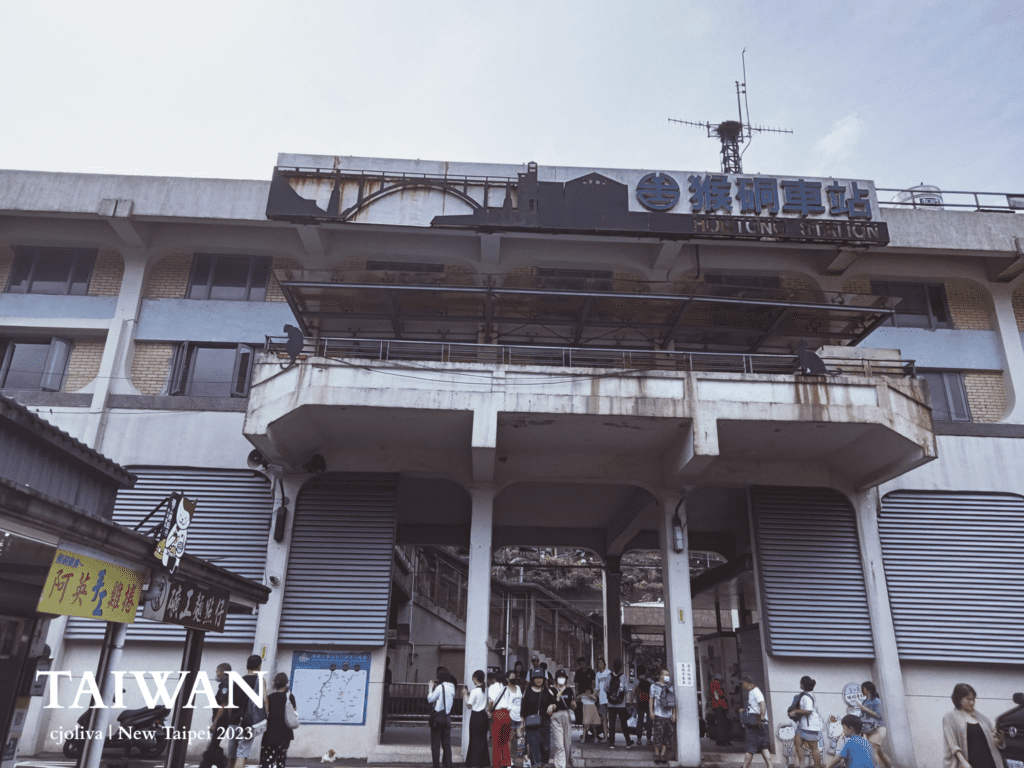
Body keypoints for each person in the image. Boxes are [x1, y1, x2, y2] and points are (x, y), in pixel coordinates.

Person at [942, 683, 1005, 768]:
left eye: (973, 699)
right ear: (958, 699)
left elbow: (993, 739)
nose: (972, 702)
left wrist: (1000, 741)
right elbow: (952, 745)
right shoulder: (949, 717)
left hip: (989, 763)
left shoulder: (983, 718)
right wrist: (963, 762)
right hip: (969, 764)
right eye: (968, 699)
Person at [230, 654, 267, 768]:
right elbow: (264, 701)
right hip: (247, 722)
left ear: (247, 666)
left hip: (233, 721)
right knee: (242, 753)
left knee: (232, 755)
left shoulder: (237, 681)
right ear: (259, 666)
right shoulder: (260, 680)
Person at [259, 673, 296, 768]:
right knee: (281, 760)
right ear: (286, 683)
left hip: (270, 733)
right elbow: (294, 712)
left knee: (267, 761)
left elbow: (265, 712)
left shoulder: (269, 698)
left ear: (274, 684)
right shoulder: (290, 697)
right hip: (285, 734)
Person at [521, 668, 555, 768]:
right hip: (531, 724)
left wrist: (552, 705)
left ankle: (543, 765)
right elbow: (523, 708)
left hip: (545, 723)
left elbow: (555, 702)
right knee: (534, 748)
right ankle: (535, 765)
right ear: (533, 679)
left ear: (544, 679)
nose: (538, 680)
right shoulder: (527, 692)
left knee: (545, 748)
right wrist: (522, 722)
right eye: (536, 678)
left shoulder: (547, 691)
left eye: (540, 678)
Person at [788, 676, 823, 768]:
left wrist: (795, 711)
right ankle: (802, 765)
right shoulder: (808, 694)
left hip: (809, 726)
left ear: (802, 684)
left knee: (813, 748)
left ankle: (817, 766)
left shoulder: (806, 697)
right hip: (803, 726)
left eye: (800, 682)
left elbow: (808, 711)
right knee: (798, 743)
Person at [740, 675, 772, 768]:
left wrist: (761, 719)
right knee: (763, 747)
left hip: (756, 725)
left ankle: (745, 766)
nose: (743, 686)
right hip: (761, 724)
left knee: (750, 747)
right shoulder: (754, 691)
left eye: (743, 684)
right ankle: (770, 766)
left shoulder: (755, 691)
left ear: (747, 684)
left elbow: (762, 704)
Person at [858, 682, 891, 768]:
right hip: (869, 729)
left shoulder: (877, 701)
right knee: (880, 752)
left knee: (872, 751)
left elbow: (879, 715)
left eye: (863, 689)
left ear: (866, 689)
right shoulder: (865, 701)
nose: (862, 690)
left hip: (878, 728)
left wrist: (864, 708)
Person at [428, 667, 456, 768]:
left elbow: (430, 699)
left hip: (438, 718)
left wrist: (430, 688)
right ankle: (448, 765)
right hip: (447, 718)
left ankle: (436, 766)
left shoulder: (440, 687)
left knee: (435, 745)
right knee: (446, 745)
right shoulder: (452, 686)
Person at [548, 670, 575, 768]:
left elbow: (572, 704)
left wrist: (574, 705)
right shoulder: (552, 690)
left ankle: (564, 763)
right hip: (555, 716)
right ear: (556, 679)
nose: (561, 678)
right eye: (559, 676)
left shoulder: (569, 690)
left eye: (563, 677)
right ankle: (560, 766)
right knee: (559, 744)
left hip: (566, 715)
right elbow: (551, 703)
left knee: (567, 743)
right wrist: (555, 702)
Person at [649, 667, 676, 765]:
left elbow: (673, 701)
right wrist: (651, 711)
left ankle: (663, 754)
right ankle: (656, 754)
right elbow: (651, 699)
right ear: (660, 676)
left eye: (668, 675)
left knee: (667, 735)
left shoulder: (671, 688)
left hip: (668, 716)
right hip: (658, 715)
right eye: (665, 675)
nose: (667, 677)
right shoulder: (653, 686)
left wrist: (674, 713)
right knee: (657, 735)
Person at [466, 670, 491, 768]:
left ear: (475, 678)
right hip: (483, 717)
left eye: (473, 677)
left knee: (474, 741)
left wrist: (464, 695)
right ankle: (483, 763)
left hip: (475, 717)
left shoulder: (474, 691)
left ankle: (474, 763)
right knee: (482, 741)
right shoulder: (486, 689)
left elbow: (469, 705)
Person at [606, 659, 633, 749]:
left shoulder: (609, 676)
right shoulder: (624, 677)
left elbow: (605, 689)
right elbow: (627, 690)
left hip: (611, 704)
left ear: (613, 667)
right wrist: (621, 691)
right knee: (624, 723)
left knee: (612, 723)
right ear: (620, 667)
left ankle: (612, 743)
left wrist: (611, 695)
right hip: (621, 704)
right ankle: (628, 742)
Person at [489, 670, 513, 768]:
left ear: (495, 678)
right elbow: (510, 705)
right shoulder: (506, 689)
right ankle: (507, 764)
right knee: (505, 741)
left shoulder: (492, 687)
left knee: (496, 741)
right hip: (506, 714)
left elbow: (491, 701)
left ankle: (497, 765)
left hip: (497, 714)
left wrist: (489, 710)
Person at [504, 670, 524, 768]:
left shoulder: (518, 688)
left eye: (514, 676)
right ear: (507, 678)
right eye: (511, 676)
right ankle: (508, 760)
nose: (513, 678)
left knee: (520, 738)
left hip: (519, 716)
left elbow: (521, 701)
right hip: (510, 716)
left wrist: (522, 716)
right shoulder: (505, 689)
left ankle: (521, 759)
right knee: (510, 739)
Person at [573, 658, 596, 742]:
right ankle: (585, 733)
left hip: (590, 697)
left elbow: (593, 684)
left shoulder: (591, 672)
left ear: (585, 663)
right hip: (582, 697)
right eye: (580, 664)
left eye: (582, 663)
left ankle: (593, 734)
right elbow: (576, 685)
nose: (581, 665)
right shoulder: (578, 673)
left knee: (591, 715)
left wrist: (591, 694)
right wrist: (576, 696)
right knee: (583, 716)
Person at [708, 673, 731, 746]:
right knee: (722, 723)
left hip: (718, 706)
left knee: (722, 723)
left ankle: (723, 739)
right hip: (719, 706)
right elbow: (719, 695)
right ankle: (721, 739)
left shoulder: (713, 684)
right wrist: (724, 705)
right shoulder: (715, 684)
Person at [634, 665, 653, 747]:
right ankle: (648, 739)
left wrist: (632, 700)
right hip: (648, 702)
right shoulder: (650, 680)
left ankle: (639, 739)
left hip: (640, 702)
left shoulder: (636, 681)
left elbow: (634, 692)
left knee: (640, 720)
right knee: (649, 721)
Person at [594, 657, 611, 744]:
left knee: (611, 718)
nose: (600, 664)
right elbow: (597, 688)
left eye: (601, 662)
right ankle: (605, 737)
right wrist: (593, 696)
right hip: (602, 699)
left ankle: (611, 736)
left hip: (610, 699)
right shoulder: (597, 675)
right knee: (604, 719)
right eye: (599, 663)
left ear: (605, 664)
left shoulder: (609, 673)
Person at [381, 657, 392, 735]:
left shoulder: (386, 671)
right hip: (385, 692)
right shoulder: (388, 671)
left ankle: (381, 729)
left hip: (384, 692)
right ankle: (381, 730)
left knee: (383, 711)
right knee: (383, 711)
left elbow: (387, 683)